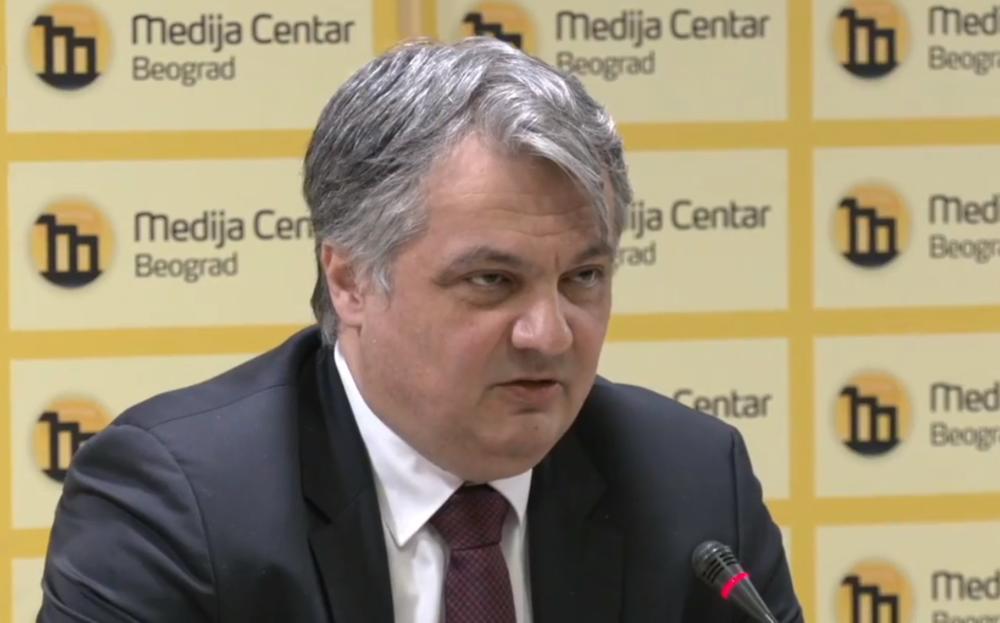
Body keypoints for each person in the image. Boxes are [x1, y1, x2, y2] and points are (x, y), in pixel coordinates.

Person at [38, 37, 803, 622]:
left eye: (583, 278)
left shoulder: (691, 485)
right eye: (492, 280)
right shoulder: (177, 505)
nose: (550, 334)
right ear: (350, 279)